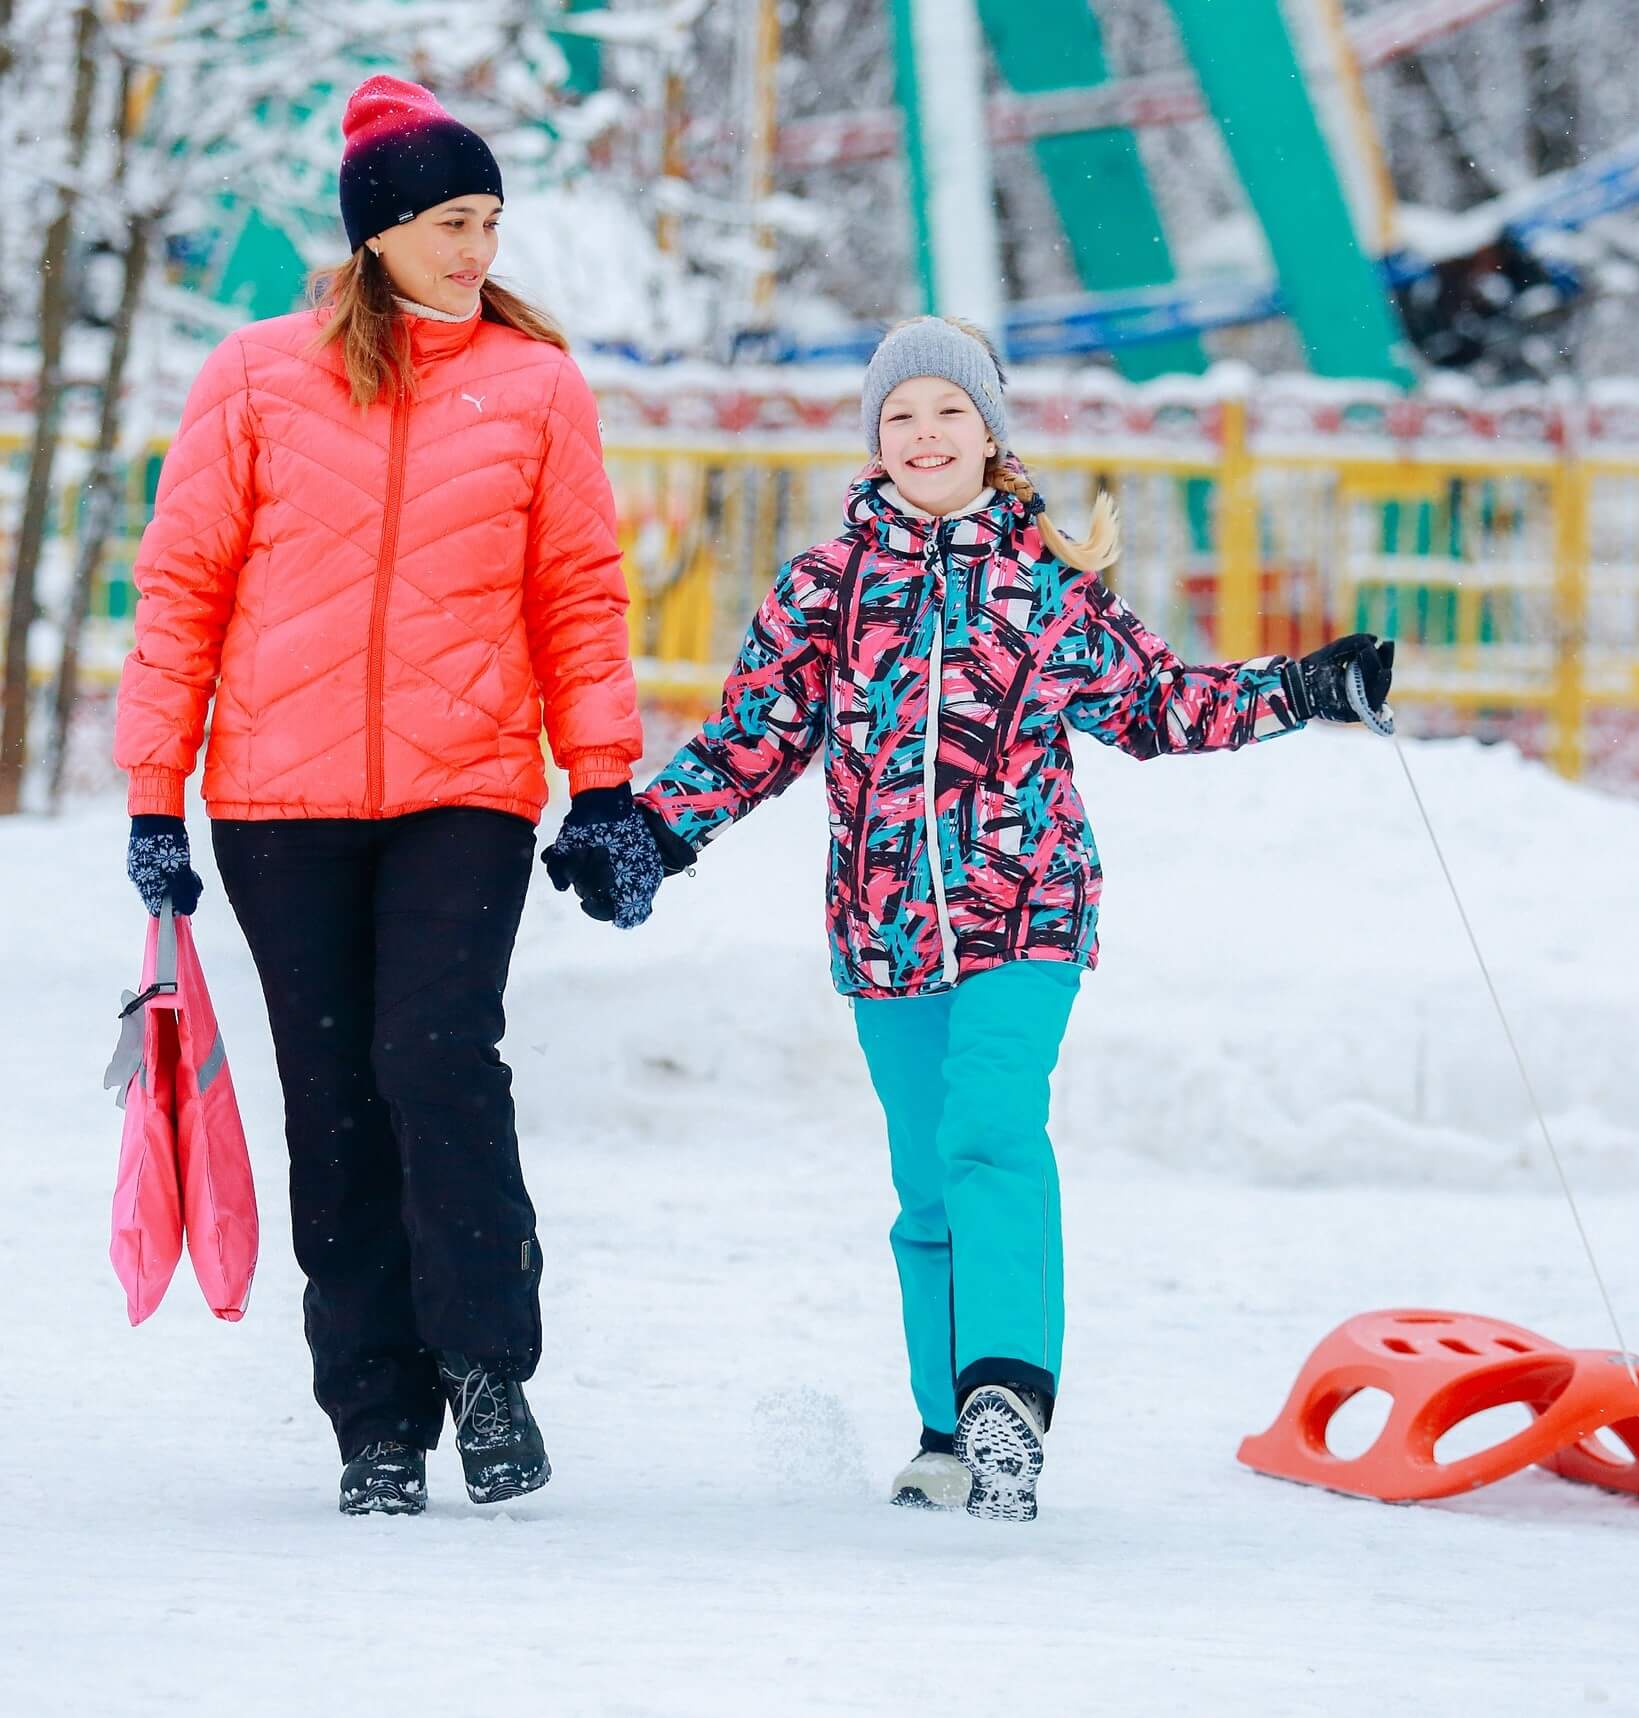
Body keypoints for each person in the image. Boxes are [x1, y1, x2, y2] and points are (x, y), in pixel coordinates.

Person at [595, 316, 1394, 1522]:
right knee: (924, 1186)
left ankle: (1007, 1391)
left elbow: (1155, 703)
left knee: (988, 1132)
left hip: (1026, 914)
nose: (924, 435)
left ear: (989, 433)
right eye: (901, 416)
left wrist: (1298, 688)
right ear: (876, 438)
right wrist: (654, 830)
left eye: (948, 413)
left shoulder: (1043, 587)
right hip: (881, 932)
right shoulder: (825, 587)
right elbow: (754, 735)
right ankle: (945, 1427)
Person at [114, 74, 667, 1516]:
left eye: (488, 219)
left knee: (435, 1058)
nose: (476, 248)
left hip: (465, 785)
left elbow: (578, 594)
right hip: (278, 804)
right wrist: (152, 795)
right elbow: (179, 589)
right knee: (334, 1099)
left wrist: (603, 784)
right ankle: (373, 1418)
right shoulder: (252, 376)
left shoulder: (535, 385)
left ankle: (487, 1369)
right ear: (378, 232)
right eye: (449, 222)